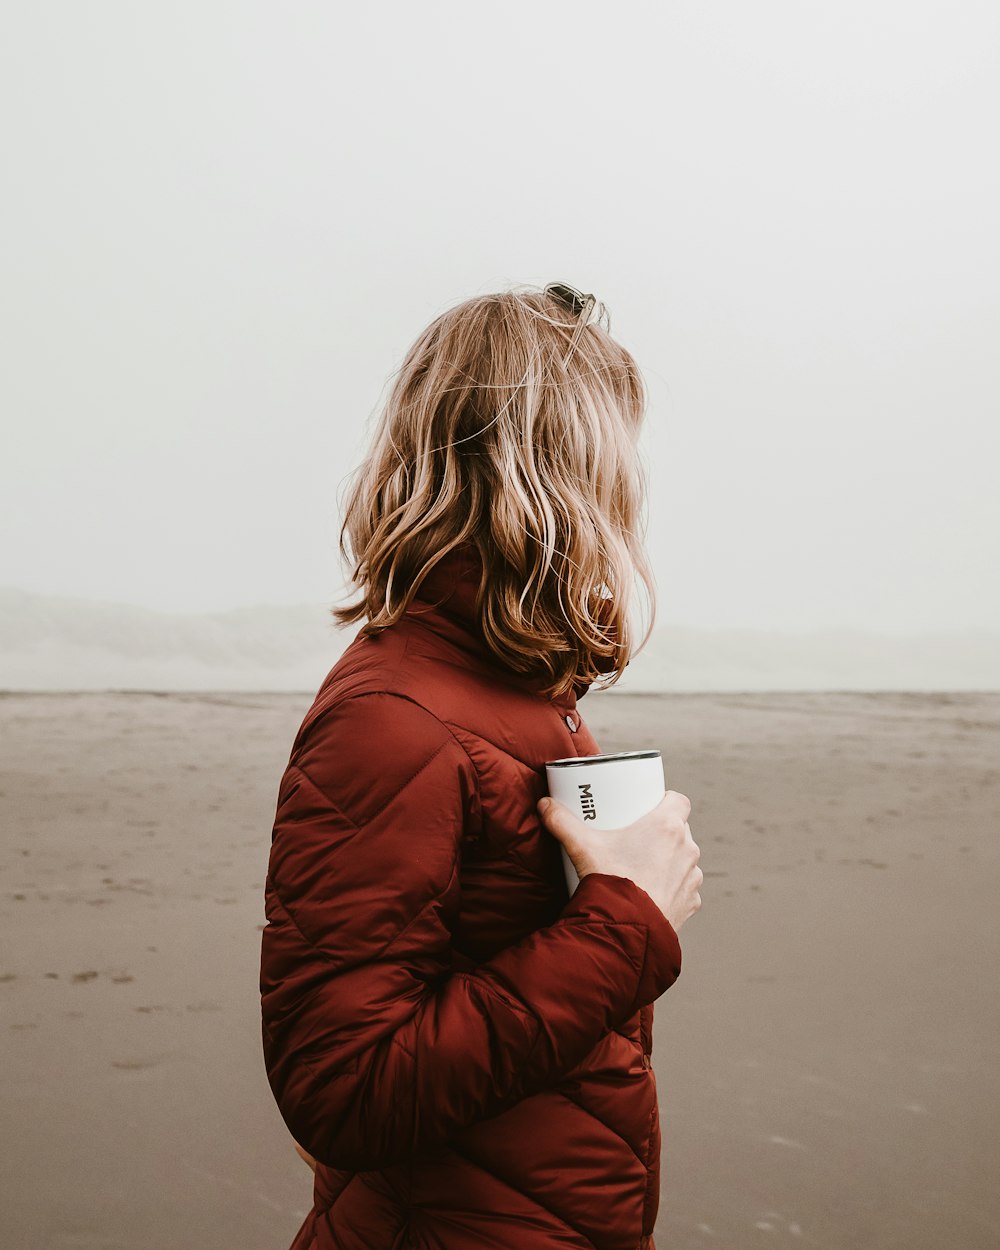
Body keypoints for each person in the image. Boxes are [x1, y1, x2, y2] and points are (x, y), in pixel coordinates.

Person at [259, 282, 704, 1250]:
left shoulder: (515, 686)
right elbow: (344, 1087)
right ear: (563, 467)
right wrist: (625, 921)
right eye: (619, 455)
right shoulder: (391, 720)